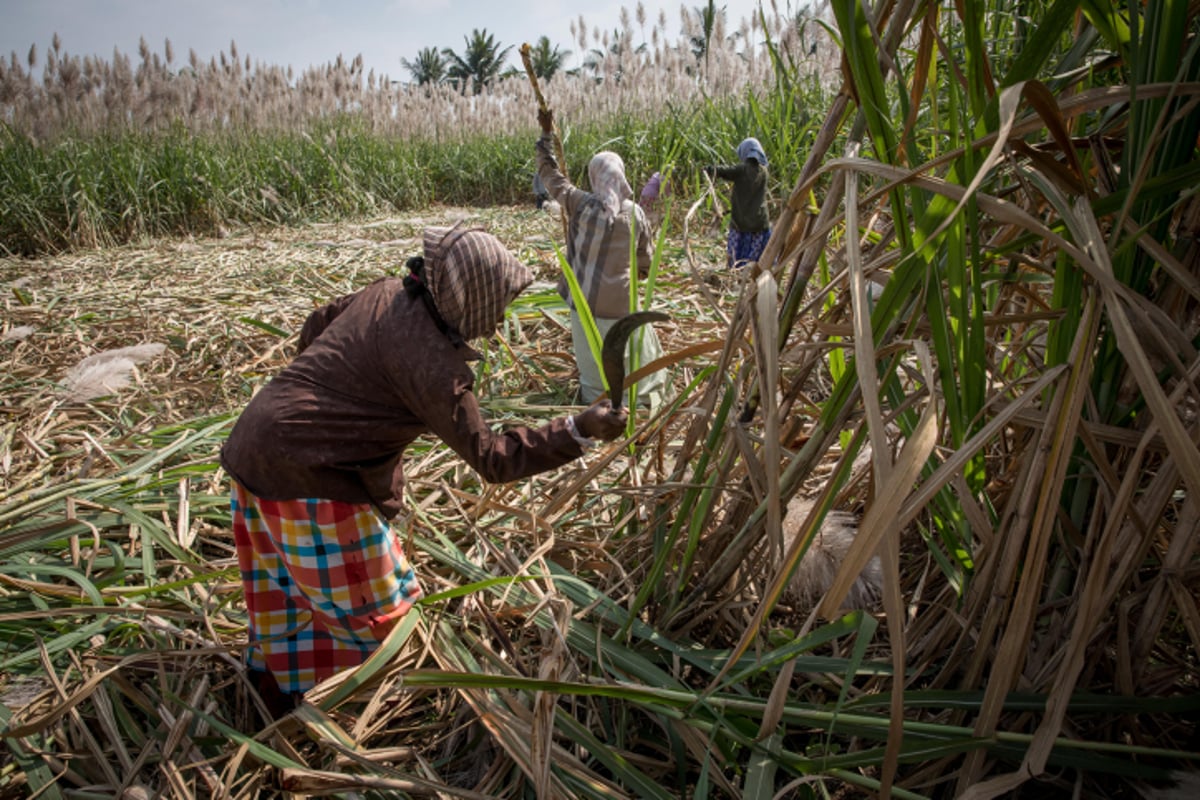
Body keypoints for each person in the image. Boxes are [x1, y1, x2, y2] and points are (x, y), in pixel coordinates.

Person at [220, 223, 627, 718]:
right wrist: (577, 429)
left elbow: (315, 324)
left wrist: (326, 389)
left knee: (285, 594)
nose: (501, 318)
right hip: (309, 481)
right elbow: (494, 458)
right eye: (498, 304)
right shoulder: (434, 366)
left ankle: (270, 696)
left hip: (252, 445)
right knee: (380, 612)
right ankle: (359, 711)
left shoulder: (387, 292)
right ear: (471, 306)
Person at [534, 110, 667, 409]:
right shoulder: (635, 213)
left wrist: (546, 135)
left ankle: (597, 401)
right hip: (622, 304)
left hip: (584, 303)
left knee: (592, 362)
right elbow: (644, 262)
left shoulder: (578, 203)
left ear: (594, 177)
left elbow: (548, 173)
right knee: (629, 355)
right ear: (620, 177)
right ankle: (639, 400)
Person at [705, 137, 771, 269]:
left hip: (742, 222)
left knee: (737, 256)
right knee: (755, 255)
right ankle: (752, 274)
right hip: (760, 221)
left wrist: (709, 169)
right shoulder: (764, 171)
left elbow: (725, 171)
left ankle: (737, 273)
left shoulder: (742, 170)